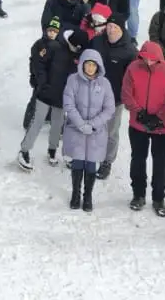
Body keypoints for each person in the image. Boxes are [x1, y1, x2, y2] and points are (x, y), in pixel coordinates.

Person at [122, 40, 165, 216]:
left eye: (152, 59)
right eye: (144, 58)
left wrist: (159, 116)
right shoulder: (133, 68)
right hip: (138, 124)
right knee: (138, 160)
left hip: (162, 126)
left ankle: (158, 198)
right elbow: (126, 94)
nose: (148, 62)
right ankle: (138, 194)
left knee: (160, 163)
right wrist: (140, 113)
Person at [62, 48, 115, 211]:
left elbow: (109, 109)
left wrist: (92, 124)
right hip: (76, 130)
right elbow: (68, 104)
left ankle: (88, 196)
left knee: (91, 164)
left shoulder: (104, 84)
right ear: (82, 65)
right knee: (77, 162)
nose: (90, 68)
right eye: (88, 64)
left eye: (93, 65)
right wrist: (81, 124)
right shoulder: (73, 80)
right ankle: (75, 194)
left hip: (95, 132)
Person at [20, 18, 77, 169]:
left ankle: (52, 150)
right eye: (50, 30)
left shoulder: (75, 56)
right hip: (46, 92)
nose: (52, 33)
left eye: (55, 31)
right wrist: (41, 83)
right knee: (37, 121)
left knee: (57, 124)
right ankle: (24, 150)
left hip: (61, 95)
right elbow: (38, 66)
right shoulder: (49, 47)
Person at [92, 17, 140, 180]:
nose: (111, 30)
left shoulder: (130, 51)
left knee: (111, 131)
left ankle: (107, 161)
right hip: (94, 92)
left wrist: (130, 97)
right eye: (109, 26)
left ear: (122, 29)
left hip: (115, 98)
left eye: (115, 27)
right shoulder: (98, 41)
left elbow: (135, 77)